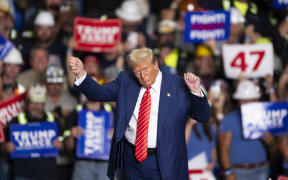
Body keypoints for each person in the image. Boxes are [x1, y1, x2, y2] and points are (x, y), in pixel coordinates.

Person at [68, 47, 210, 179]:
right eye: (137, 71)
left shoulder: (178, 85)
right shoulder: (125, 81)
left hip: (165, 160)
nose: (142, 75)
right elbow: (98, 93)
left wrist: (196, 92)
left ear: (156, 65)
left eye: (146, 69)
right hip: (132, 159)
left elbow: (202, 116)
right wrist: (81, 73)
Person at [1, 84, 63, 180]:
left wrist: (61, 144)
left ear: (44, 104)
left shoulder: (53, 120)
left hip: (48, 173)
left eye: (39, 103)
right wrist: (6, 147)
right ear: (27, 103)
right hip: (23, 173)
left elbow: (65, 144)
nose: (36, 106)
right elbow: (3, 146)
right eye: (33, 103)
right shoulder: (15, 121)